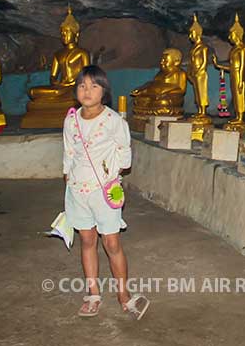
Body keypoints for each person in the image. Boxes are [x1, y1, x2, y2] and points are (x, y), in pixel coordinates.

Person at [62, 66, 150, 320]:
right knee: (87, 241)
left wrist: (112, 177)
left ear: (104, 92)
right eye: (82, 86)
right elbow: (68, 152)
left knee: (111, 242)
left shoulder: (113, 121)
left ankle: (123, 294)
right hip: (78, 191)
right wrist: (69, 177)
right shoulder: (71, 120)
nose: (87, 91)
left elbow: (125, 152)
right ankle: (93, 294)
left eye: (93, 86)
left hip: (104, 192)